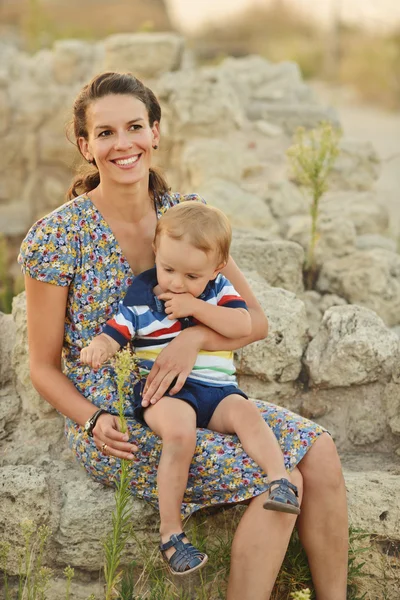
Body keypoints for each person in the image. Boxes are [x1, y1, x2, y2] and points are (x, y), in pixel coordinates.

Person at [19, 71, 348, 599]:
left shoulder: (187, 215)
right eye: (105, 133)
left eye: (134, 127)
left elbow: (253, 323)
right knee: (285, 482)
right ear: (85, 145)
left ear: (155, 132)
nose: (122, 144)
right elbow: (42, 366)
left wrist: (193, 338)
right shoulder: (59, 235)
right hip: (122, 413)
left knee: (322, 450)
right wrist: (94, 420)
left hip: (204, 389)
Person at [80, 201, 301, 575]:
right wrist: (101, 346)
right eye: (168, 269)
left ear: (216, 268)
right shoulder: (143, 293)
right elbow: (117, 329)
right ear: (156, 252)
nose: (177, 283)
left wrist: (195, 309)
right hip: (165, 392)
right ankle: (171, 534)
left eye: (191, 276)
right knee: (180, 435)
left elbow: (243, 325)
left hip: (216, 390)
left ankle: (280, 482)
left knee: (248, 414)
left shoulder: (218, 290)